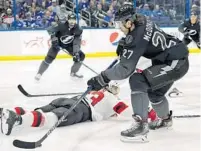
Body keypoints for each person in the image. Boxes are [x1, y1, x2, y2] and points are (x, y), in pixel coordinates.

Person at [87, 3, 189, 142]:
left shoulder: (136, 38)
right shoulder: (141, 18)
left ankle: (141, 126)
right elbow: (141, 41)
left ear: (129, 22)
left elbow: (125, 70)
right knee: (155, 93)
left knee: (137, 80)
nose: (119, 28)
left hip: (175, 62)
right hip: (173, 58)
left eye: (120, 24)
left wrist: (102, 77)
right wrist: (124, 43)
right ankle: (165, 120)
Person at [0, 85, 158, 136]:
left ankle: (12, 112)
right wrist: (149, 112)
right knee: (50, 119)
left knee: (39, 110)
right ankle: (17, 119)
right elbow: (127, 111)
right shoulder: (113, 99)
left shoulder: (94, 91)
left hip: (68, 100)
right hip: (81, 110)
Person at [35, 13, 85, 81]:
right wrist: (53, 38)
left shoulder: (78, 29)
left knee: (81, 56)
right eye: (70, 20)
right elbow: (50, 30)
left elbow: (76, 42)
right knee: (50, 57)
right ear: (67, 19)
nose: (72, 22)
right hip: (57, 43)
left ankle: (73, 72)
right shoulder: (61, 24)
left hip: (69, 45)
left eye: (74, 20)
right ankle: (39, 73)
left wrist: (76, 53)